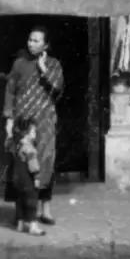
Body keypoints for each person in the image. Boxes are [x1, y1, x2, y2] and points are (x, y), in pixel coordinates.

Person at [3, 26, 64, 226]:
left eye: (37, 40)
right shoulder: (19, 64)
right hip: (22, 122)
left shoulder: (53, 64)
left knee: (45, 163)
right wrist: (9, 118)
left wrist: (44, 69)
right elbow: (10, 90)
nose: (31, 43)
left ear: (46, 45)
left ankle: (45, 210)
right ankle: (21, 212)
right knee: (21, 165)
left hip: (45, 122)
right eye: (30, 39)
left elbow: (58, 90)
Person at [6, 115, 44, 235]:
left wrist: (9, 132)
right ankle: (33, 225)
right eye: (33, 131)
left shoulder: (16, 145)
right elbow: (33, 165)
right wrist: (37, 177)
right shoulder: (29, 147)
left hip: (17, 178)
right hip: (27, 178)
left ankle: (20, 224)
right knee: (32, 200)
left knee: (20, 200)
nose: (35, 133)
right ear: (26, 133)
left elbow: (8, 146)